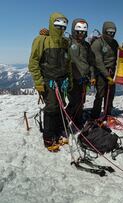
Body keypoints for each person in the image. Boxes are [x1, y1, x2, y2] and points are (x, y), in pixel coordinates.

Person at [28, 12, 70, 152]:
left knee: (60, 106)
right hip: (49, 80)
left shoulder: (64, 42)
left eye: (63, 27)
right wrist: (39, 82)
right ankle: (48, 138)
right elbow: (33, 62)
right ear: (52, 24)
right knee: (51, 108)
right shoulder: (41, 40)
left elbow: (67, 62)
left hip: (62, 80)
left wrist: (68, 78)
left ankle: (57, 133)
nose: (61, 29)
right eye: (57, 26)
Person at [66, 18, 95, 127]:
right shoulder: (68, 42)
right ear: (74, 31)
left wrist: (92, 76)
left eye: (83, 32)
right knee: (74, 101)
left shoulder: (86, 46)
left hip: (84, 79)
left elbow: (91, 62)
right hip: (72, 79)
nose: (81, 34)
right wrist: (47, 36)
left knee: (81, 101)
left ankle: (77, 120)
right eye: (79, 32)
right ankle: (65, 119)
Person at [91, 21, 118, 119]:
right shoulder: (97, 43)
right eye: (109, 32)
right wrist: (107, 76)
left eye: (113, 32)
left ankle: (108, 114)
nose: (111, 34)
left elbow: (119, 56)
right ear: (104, 31)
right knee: (100, 95)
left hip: (112, 72)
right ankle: (95, 115)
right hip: (101, 73)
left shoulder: (114, 43)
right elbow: (98, 62)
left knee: (110, 95)